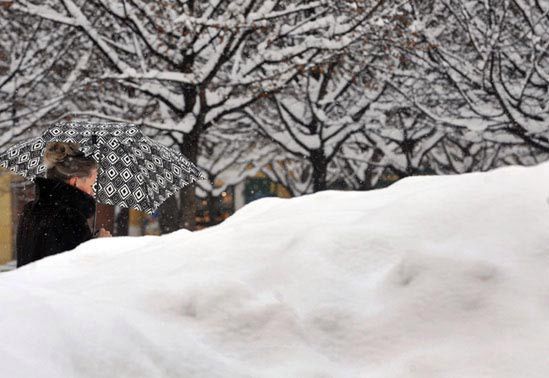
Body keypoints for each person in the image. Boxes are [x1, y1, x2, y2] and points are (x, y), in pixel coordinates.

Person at [16, 142, 111, 267]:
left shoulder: (30, 210)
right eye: (91, 185)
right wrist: (99, 244)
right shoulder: (69, 216)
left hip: (27, 286)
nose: (92, 192)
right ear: (75, 181)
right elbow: (77, 271)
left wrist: (90, 241)